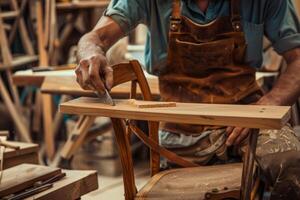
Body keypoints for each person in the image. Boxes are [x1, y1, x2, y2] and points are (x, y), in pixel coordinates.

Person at [75, 0, 300, 199]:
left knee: (291, 162)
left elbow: (298, 59)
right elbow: (96, 38)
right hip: (180, 132)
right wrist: (89, 53)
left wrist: (266, 107)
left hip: (246, 123)